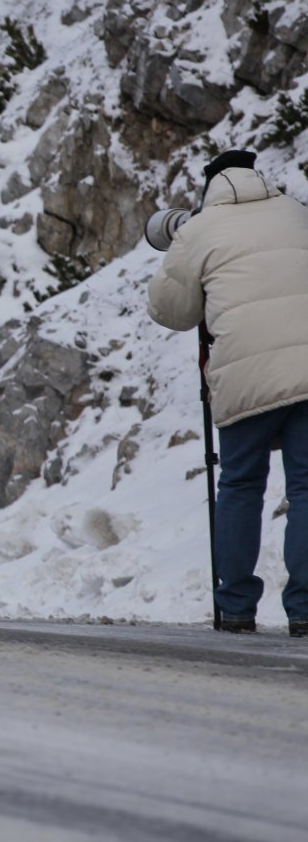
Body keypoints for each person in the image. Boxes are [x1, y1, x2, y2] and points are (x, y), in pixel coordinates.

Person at [148, 149, 308, 636]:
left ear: (210, 188)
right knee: (306, 488)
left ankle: (236, 606)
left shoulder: (200, 229)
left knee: (240, 485)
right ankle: (305, 609)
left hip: (245, 375)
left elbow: (171, 312)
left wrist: (187, 247)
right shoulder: (296, 212)